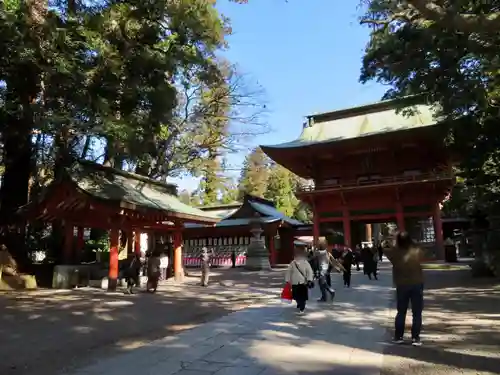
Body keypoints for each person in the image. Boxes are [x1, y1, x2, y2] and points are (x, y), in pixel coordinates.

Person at [384, 231, 425, 346]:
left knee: (401, 312)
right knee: (417, 312)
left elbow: (384, 246)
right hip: (417, 283)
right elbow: (422, 252)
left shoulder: (394, 253)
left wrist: (390, 240)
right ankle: (415, 338)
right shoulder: (416, 251)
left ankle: (399, 337)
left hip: (402, 285)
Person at [285, 247, 314, 313]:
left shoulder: (303, 262)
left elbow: (309, 271)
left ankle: (302, 307)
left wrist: (309, 279)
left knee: (301, 296)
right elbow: (289, 271)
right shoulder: (293, 263)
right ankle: (300, 303)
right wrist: (287, 280)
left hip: (301, 282)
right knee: (297, 296)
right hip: (298, 282)